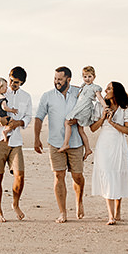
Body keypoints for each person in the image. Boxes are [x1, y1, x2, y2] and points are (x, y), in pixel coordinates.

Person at [34, 66, 86, 223]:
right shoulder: (47, 96)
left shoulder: (79, 93)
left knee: (77, 176)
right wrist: (36, 138)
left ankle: (79, 201)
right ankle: (62, 212)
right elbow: (38, 117)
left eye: (60, 79)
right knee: (59, 175)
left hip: (76, 142)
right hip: (55, 143)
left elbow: (87, 112)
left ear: (68, 79)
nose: (56, 81)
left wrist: (77, 120)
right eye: (55, 78)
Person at [0, 67, 32, 223]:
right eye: (11, 80)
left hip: (15, 140)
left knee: (20, 175)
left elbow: (29, 116)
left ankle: (15, 204)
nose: (12, 84)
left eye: (16, 82)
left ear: (22, 82)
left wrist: (20, 122)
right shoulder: (0, 91)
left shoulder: (26, 97)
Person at [90, 81, 128, 225]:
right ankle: (110, 215)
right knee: (107, 176)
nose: (105, 90)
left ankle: (118, 210)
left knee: (117, 174)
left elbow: (127, 130)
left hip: (118, 144)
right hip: (104, 145)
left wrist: (112, 122)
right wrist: (103, 117)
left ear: (116, 91)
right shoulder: (100, 106)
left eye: (109, 88)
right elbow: (93, 128)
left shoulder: (125, 107)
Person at [57, 65, 103, 157]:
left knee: (67, 122)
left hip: (84, 109)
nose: (87, 79)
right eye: (85, 76)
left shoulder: (95, 87)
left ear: (94, 76)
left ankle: (66, 143)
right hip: (82, 108)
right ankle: (88, 149)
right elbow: (80, 90)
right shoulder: (84, 86)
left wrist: (105, 106)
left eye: (89, 76)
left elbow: (100, 98)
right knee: (80, 130)